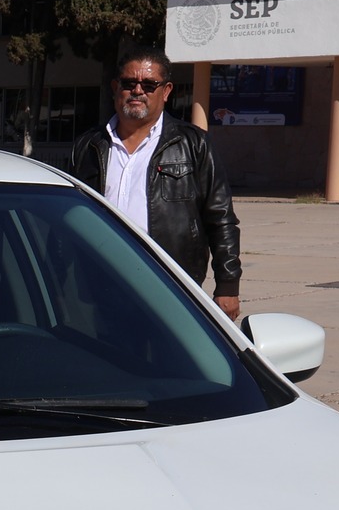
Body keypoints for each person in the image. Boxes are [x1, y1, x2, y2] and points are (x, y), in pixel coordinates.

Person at [68, 47, 243, 322]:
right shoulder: (88, 146)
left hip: (171, 285)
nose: (138, 91)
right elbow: (67, 216)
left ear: (166, 91)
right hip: (101, 283)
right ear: (115, 88)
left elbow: (220, 218)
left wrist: (228, 285)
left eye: (149, 85)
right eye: (129, 83)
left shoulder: (193, 144)